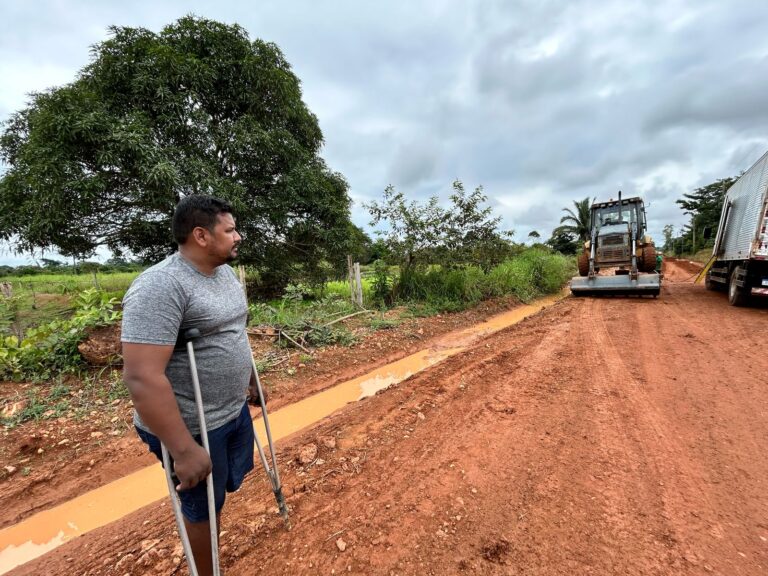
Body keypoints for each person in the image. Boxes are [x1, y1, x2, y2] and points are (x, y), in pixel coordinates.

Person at [122, 195, 259, 576]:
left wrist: (250, 380)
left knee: (223, 489)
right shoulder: (160, 287)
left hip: (231, 410)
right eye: (230, 230)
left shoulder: (224, 274)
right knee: (203, 506)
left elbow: (235, 332)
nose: (238, 236)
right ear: (201, 235)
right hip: (192, 425)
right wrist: (183, 451)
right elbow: (142, 376)